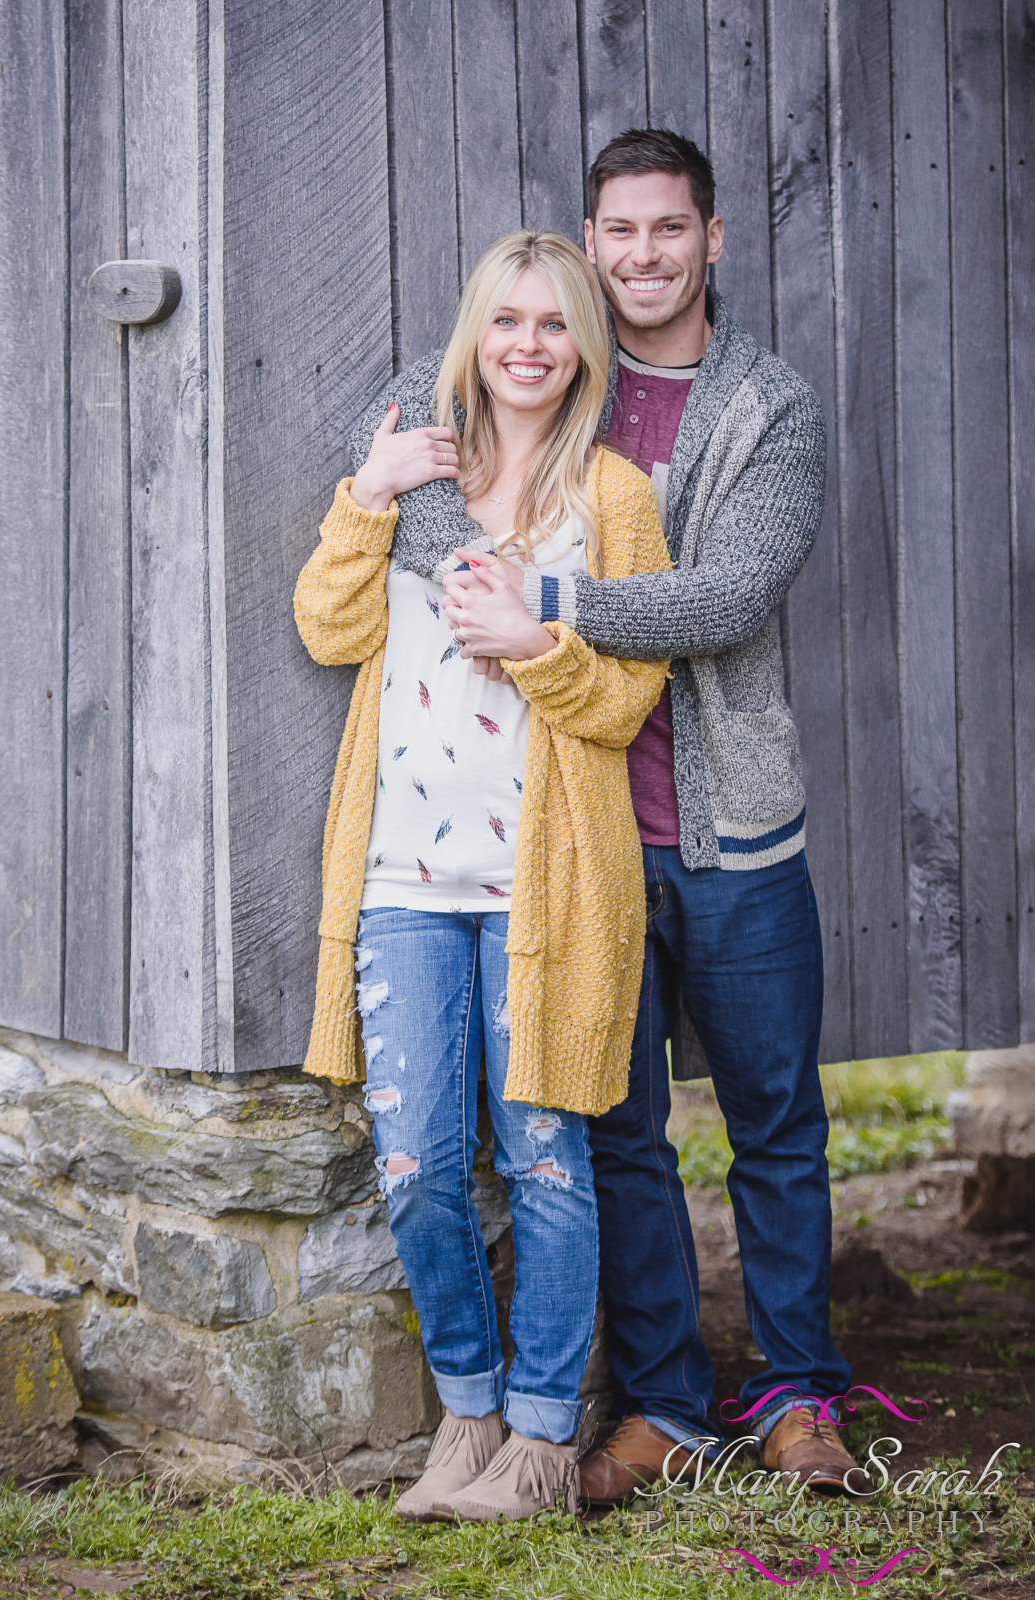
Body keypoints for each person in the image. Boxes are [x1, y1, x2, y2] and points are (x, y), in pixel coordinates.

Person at [348, 129, 864, 1503]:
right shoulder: (533, 362)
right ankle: (664, 1408)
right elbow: (402, 489)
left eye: (668, 230)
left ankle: (800, 1395)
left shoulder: (768, 408)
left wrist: (548, 607)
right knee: (614, 1131)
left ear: (712, 240)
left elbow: (729, 597)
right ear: (588, 244)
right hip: (570, 844)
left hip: (730, 828)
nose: (642, 256)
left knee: (775, 1117)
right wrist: (392, 495)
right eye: (617, 233)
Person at [294, 229, 671, 1523]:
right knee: (416, 1165)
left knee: (548, 1159)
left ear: (583, 345)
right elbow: (328, 625)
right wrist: (366, 489)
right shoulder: (420, 472)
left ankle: (543, 1438)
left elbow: (629, 696)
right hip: (399, 877)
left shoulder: (612, 496)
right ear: (476, 335)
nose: (527, 344)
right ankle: (466, 1411)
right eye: (506, 321)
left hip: (546, 885)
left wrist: (533, 642)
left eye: (554, 323)